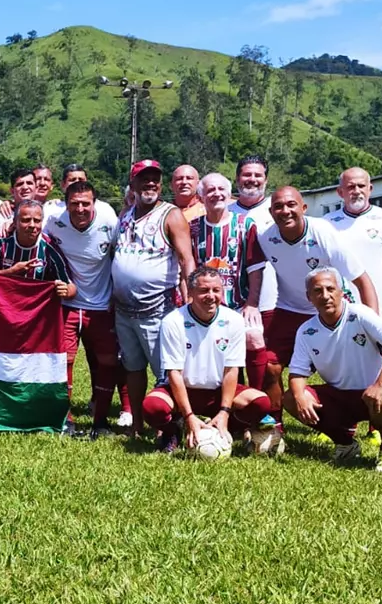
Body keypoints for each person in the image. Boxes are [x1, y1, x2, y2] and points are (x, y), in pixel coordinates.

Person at [245, 186, 377, 429]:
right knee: (271, 367)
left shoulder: (323, 232)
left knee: (344, 372)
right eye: (278, 207)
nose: (285, 211)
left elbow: (362, 280)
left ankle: (360, 425)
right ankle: (273, 427)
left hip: (329, 311)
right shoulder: (265, 237)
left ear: (303, 208)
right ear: (271, 212)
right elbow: (251, 267)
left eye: (291, 205)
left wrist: (374, 327)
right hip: (289, 309)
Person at [286, 267, 382, 474]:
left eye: (330, 289)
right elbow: (298, 373)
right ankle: (345, 443)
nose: (325, 296)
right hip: (342, 395)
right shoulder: (306, 331)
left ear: (341, 291)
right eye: (317, 291)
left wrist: (380, 385)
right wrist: (300, 396)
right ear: (309, 297)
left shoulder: (359, 314)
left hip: (378, 392)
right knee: (291, 398)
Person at [141, 266, 275, 451]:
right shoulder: (173, 321)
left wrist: (224, 412)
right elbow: (174, 373)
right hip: (183, 391)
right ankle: (173, 431)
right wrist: (188, 416)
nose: (211, 296)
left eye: (216, 290)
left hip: (218, 393)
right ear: (191, 292)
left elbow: (231, 370)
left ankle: (221, 426)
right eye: (204, 290)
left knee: (261, 403)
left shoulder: (234, 320)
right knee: (152, 407)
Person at [111, 159, 197, 440]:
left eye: (155, 179)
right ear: (132, 184)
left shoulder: (170, 215)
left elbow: (187, 260)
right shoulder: (125, 214)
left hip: (157, 308)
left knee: (166, 372)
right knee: (133, 369)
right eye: (143, 179)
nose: (150, 184)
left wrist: (191, 299)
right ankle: (137, 424)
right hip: (124, 310)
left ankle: (171, 428)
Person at [42, 179, 119, 437]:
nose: (80, 209)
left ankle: (100, 422)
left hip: (101, 304)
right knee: (64, 360)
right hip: (67, 304)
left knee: (108, 362)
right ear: (66, 205)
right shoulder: (52, 219)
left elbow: (121, 256)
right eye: (74, 204)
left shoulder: (109, 219)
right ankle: (67, 419)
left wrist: (117, 291)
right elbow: (27, 226)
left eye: (86, 203)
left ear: (94, 203)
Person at [325, 167, 382, 326]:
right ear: (340, 192)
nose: (356, 191)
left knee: (373, 349)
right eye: (350, 187)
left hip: (374, 308)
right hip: (335, 307)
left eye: (361, 186)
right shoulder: (326, 223)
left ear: (370, 189)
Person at [228, 155, 276, 389]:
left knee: (267, 361)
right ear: (237, 178)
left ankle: (268, 413)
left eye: (258, 175)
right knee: (230, 357)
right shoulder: (226, 211)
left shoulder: (277, 209)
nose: (252, 180)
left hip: (271, 299)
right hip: (233, 301)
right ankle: (237, 410)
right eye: (247, 174)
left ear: (266, 180)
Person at [188, 172, 259, 310]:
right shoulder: (193, 227)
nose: (216, 194)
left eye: (221, 189)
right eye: (210, 190)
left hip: (238, 306)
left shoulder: (245, 224)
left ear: (228, 194)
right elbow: (188, 267)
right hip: (202, 306)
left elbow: (255, 269)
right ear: (201, 198)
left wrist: (252, 304)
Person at [0, 199, 77, 301]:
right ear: (14, 222)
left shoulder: (50, 248)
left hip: (33, 309)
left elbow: (70, 286)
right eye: (26, 220)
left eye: (37, 221)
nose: (32, 225)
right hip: (3, 305)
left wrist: (66, 291)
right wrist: (11, 271)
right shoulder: (0, 241)